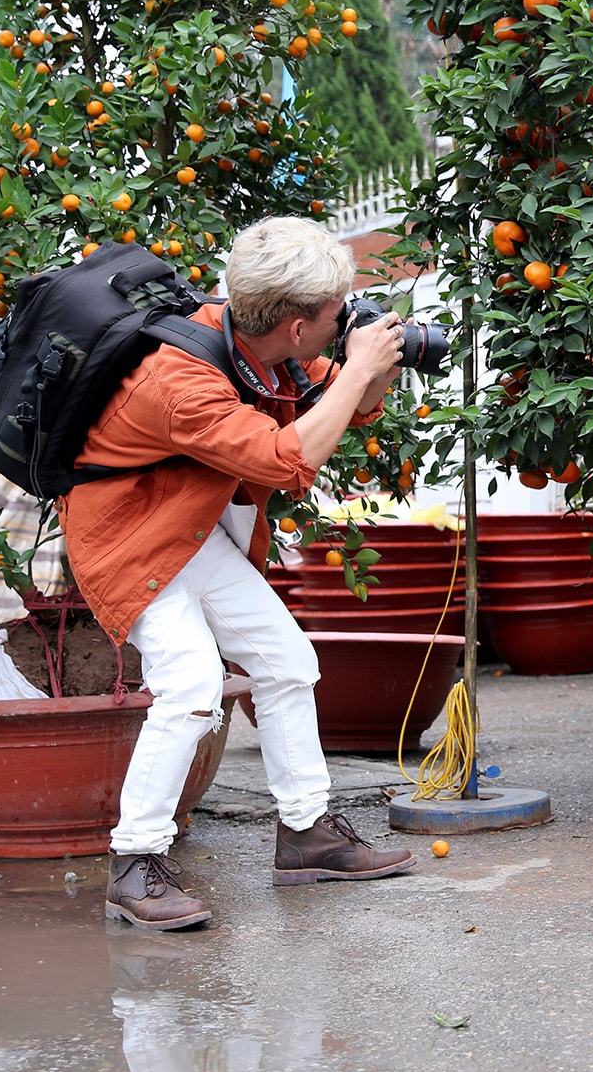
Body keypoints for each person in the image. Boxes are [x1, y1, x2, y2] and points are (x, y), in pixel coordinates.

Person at [62, 217, 417, 930]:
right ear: (293, 325)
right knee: (192, 687)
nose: (338, 324)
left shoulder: (259, 344)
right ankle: (133, 862)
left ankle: (306, 831)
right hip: (129, 539)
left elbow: (335, 402)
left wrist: (367, 372)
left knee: (287, 661)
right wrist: (351, 372)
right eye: (330, 318)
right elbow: (288, 461)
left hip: (189, 527)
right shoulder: (180, 378)